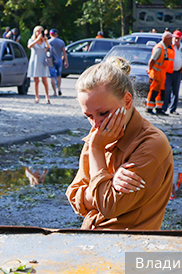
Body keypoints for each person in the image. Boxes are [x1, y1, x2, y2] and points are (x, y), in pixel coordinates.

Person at [66, 57, 174, 230]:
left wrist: (96, 150)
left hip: (129, 249)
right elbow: (74, 198)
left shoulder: (152, 143)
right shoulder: (98, 135)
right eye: (89, 116)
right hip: (94, 243)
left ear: (128, 101)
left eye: (103, 113)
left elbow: (109, 206)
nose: (96, 124)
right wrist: (108, 182)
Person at [161, 30, 182, 115]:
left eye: (178, 39)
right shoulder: (169, 47)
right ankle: (164, 108)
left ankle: (173, 109)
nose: (176, 40)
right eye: (175, 38)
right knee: (166, 91)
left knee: (175, 91)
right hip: (168, 72)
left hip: (178, 72)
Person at [146, 31, 171, 115]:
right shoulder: (159, 48)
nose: (171, 41)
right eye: (170, 39)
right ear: (166, 39)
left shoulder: (164, 48)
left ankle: (159, 108)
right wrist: (150, 72)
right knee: (154, 91)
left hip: (161, 74)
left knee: (161, 92)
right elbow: (151, 61)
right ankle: (149, 108)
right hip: (156, 73)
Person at [27, 25, 52, 104]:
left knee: (44, 80)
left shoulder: (44, 40)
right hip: (35, 61)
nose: (39, 33)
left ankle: (47, 97)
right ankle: (37, 96)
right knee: (36, 81)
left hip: (42, 61)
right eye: (38, 31)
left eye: (41, 31)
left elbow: (49, 48)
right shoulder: (31, 40)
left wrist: (45, 41)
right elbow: (29, 46)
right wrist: (37, 39)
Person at [47, 29, 69, 96]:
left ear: (50, 34)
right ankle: (59, 88)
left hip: (50, 60)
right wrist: (66, 61)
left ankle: (54, 92)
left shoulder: (48, 42)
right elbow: (64, 53)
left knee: (52, 76)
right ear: (57, 34)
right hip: (59, 59)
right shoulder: (61, 42)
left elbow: (45, 51)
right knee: (59, 76)